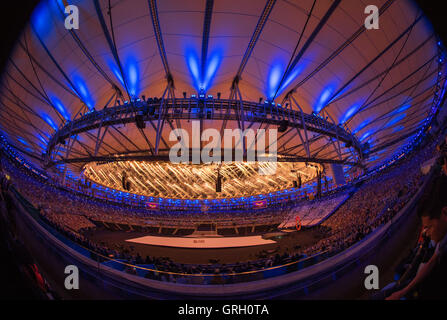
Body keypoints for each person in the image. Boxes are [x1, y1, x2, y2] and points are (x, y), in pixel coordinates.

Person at [387, 176, 447, 300]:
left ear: (445, 213)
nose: (427, 233)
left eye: (429, 227)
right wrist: (402, 292)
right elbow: (433, 261)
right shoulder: (442, 242)